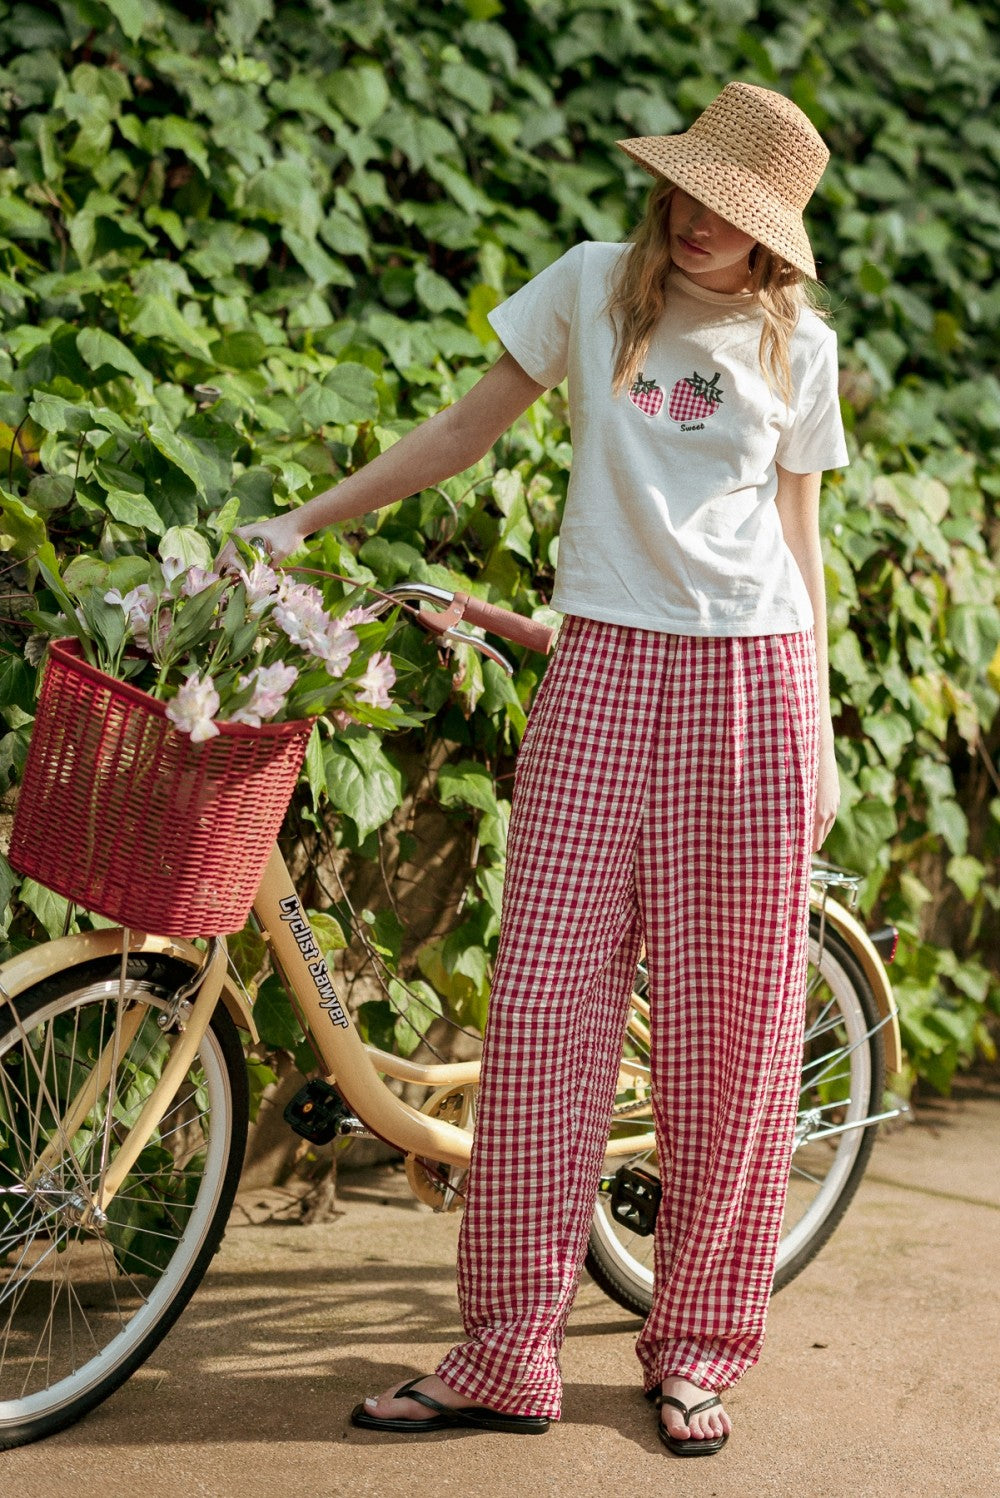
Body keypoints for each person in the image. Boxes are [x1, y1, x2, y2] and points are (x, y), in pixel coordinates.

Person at [224, 81, 848, 1458]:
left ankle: (694, 1347)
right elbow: (463, 430)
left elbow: (802, 550)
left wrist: (816, 730)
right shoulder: (588, 289)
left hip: (750, 686)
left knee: (729, 1041)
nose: (697, 224)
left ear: (776, 236)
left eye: (732, 214)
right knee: (546, 1016)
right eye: (688, 192)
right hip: (603, 669)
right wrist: (303, 520)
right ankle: (506, 1350)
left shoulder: (796, 342)